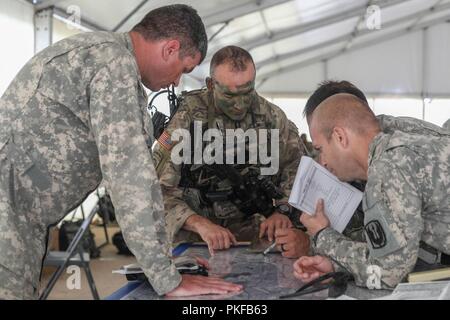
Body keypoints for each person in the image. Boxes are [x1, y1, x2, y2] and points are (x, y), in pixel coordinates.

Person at [0, 4, 242, 299]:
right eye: (184, 69)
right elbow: (130, 181)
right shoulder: (115, 66)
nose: (178, 81)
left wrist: (162, 265)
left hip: (16, 213)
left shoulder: (102, 53)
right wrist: (168, 279)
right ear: (170, 48)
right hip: (8, 213)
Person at [152, 45, 308, 257]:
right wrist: (199, 224)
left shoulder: (273, 117)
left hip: (258, 239)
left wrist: (282, 210)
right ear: (210, 85)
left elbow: (299, 169)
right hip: (196, 241)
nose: (239, 105)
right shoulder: (187, 118)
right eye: (229, 95)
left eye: (247, 92)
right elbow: (157, 189)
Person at [294, 93, 450, 289]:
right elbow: (395, 248)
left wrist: (322, 235)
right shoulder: (401, 139)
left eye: (320, 149)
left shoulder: (388, 167)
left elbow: (385, 275)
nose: (323, 161)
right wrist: (338, 266)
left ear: (340, 137)